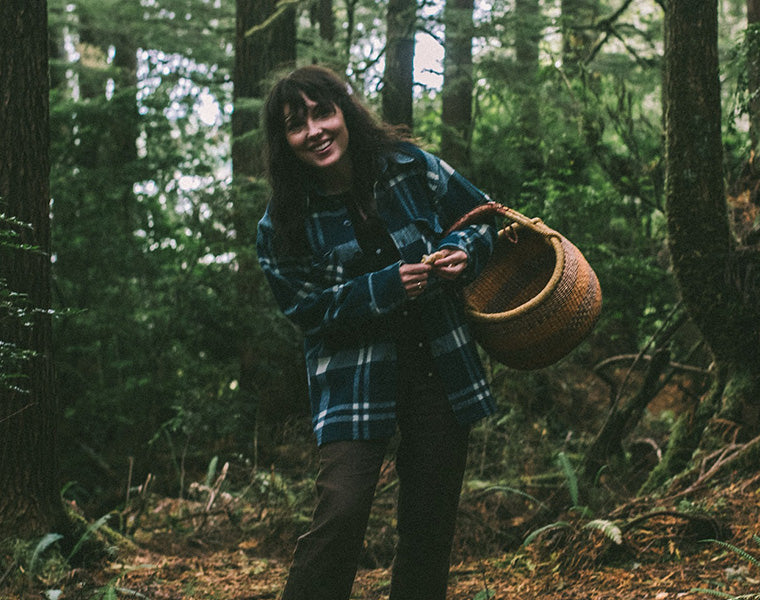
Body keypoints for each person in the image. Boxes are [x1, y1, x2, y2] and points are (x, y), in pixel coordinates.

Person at [256, 64, 498, 600]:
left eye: (323, 113)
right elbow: (304, 307)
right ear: (284, 141)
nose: (315, 131)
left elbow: (487, 218)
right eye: (297, 125)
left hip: (440, 365)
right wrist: (384, 287)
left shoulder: (410, 167)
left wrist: (464, 251)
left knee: (430, 519)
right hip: (353, 379)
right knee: (341, 511)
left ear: (345, 112)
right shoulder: (282, 222)